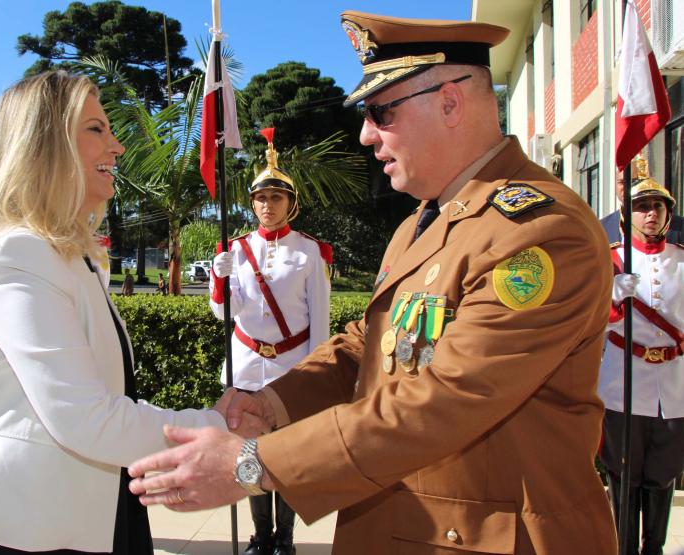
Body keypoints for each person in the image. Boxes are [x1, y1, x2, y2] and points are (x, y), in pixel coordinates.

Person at [128, 12, 619, 554]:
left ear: (450, 103)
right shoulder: (419, 224)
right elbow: (371, 343)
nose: (366, 135)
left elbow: (447, 398)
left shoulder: (540, 232)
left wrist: (254, 464)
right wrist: (276, 402)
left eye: (381, 112)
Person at [0, 70, 257, 555]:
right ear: (45, 144)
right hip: (18, 529)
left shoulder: (67, 254)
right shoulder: (20, 253)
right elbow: (85, 417)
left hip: (79, 516)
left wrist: (207, 418)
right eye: (96, 129)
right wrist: (217, 428)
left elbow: (103, 397)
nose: (117, 147)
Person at [208, 128, 331, 555]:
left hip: (291, 368)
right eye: (261, 198)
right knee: (251, 455)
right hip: (246, 366)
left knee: (288, 458)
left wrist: (316, 376)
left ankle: (286, 539)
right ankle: (260, 537)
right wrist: (219, 279)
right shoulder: (237, 249)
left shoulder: (309, 253)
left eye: (276, 198)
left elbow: (320, 319)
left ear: (290, 203)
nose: (267, 205)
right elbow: (227, 312)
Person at [597, 158, 684, 555]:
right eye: (641, 206)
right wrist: (613, 298)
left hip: (674, 382)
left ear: (668, 212)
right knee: (623, 474)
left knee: (663, 475)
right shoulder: (610, 259)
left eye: (657, 206)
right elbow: (587, 318)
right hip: (623, 380)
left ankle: (655, 549)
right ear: (627, 214)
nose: (650, 214)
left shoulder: (682, 260)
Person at [602, 167, 684, 244]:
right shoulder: (601, 229)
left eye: (635, 181)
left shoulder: (680, 227)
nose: (628, 187)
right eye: (622, 182)